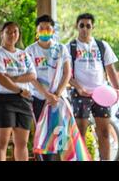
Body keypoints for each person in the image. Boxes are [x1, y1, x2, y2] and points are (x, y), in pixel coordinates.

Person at [67, 13, 119, 161]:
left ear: (93, 27)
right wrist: (78, 87)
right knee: (81, 133)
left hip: (101, 95)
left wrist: (117, 89)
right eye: (82, 25)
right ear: (76, 26)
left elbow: (110, 69)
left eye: (88, 26)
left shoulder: (102, 45)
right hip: (80, 95)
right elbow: (65, 75)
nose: (85, 29)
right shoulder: (69, 47)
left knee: (104, 132)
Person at [0, 22, 36, 161]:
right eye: (8, 32)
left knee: (22, 143)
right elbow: (0, 77)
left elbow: (32, 75)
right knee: (2, 142)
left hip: (24, 100)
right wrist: (19, 89)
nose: (12, 35)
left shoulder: (23, 55)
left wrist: (13, 78)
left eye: (15, 31)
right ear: (1, 33)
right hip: (4, 100)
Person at [25, 15, 71, 160]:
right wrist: (46, 95)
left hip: (57, 100)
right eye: (41, 28)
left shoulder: (61, 48)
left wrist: (56, 94)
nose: (45, 31)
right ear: (37, 30)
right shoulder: (30, 50)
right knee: (41, 136)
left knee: (57, 136)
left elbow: (67, 72)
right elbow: (30, 76)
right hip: (38, 99)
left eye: (48, 28)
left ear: (52, 30)